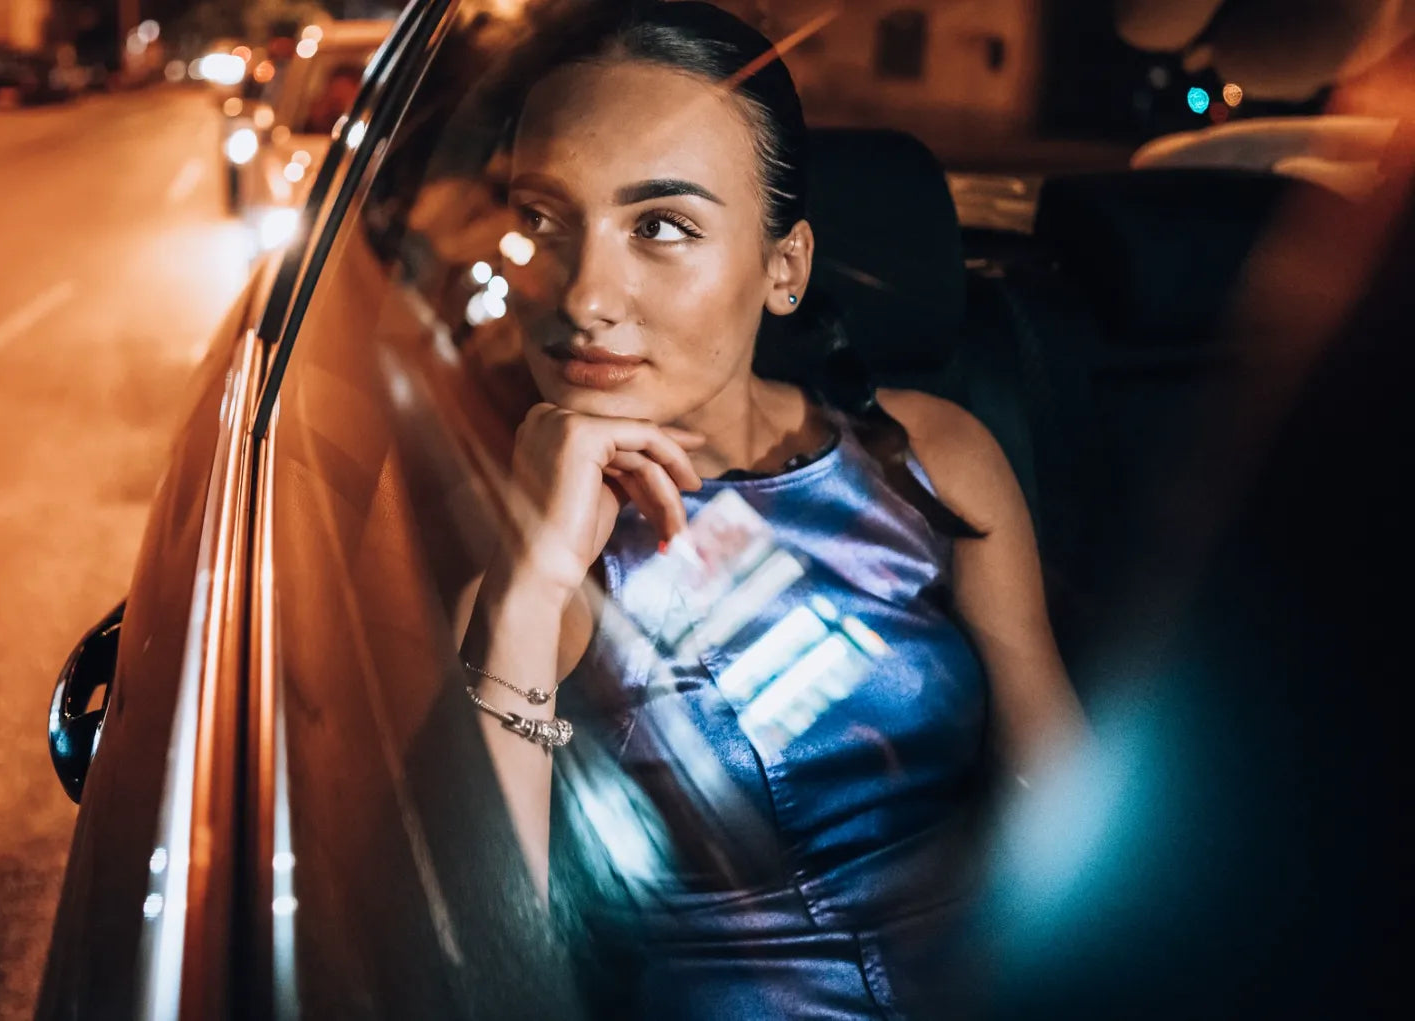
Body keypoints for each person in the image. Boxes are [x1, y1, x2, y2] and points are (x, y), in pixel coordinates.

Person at [453, 3, 1086, 1016]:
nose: (582, 296)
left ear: (782, 267)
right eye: (542, 220)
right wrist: (532, 584)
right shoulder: (540, 569)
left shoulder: (934, 458)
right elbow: (483, 960)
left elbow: (1062, 799)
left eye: (659, 226)